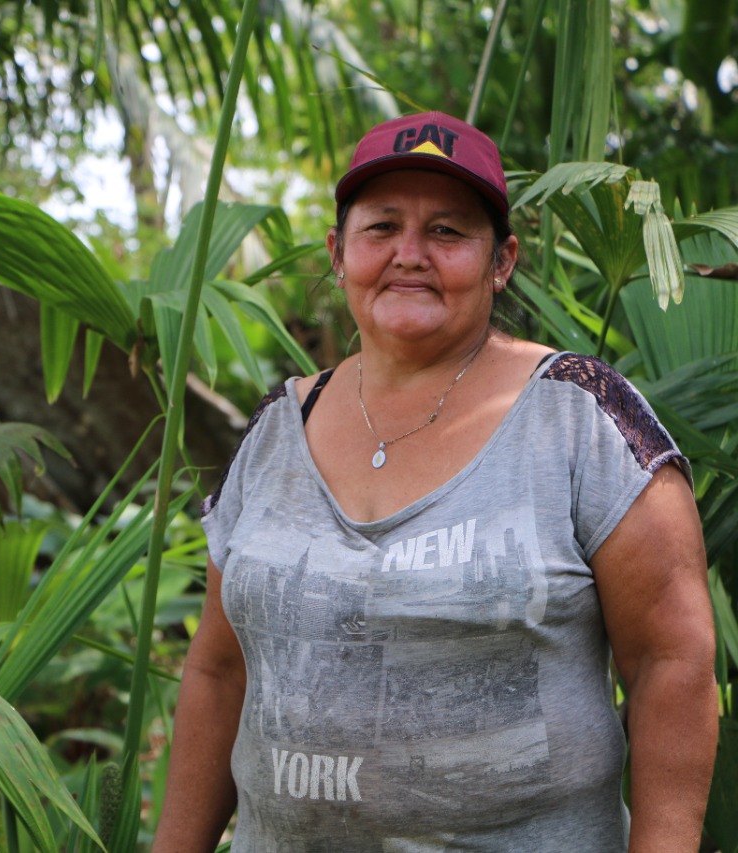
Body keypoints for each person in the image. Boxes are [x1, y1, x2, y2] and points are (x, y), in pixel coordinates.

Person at [153, 112, 717, 852]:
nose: (410, 254)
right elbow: (219, 670)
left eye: (448, 232)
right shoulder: (277, 427)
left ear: (502, 260)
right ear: (337, 252)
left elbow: (672, 662)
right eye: (381, 227)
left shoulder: (581, 417)